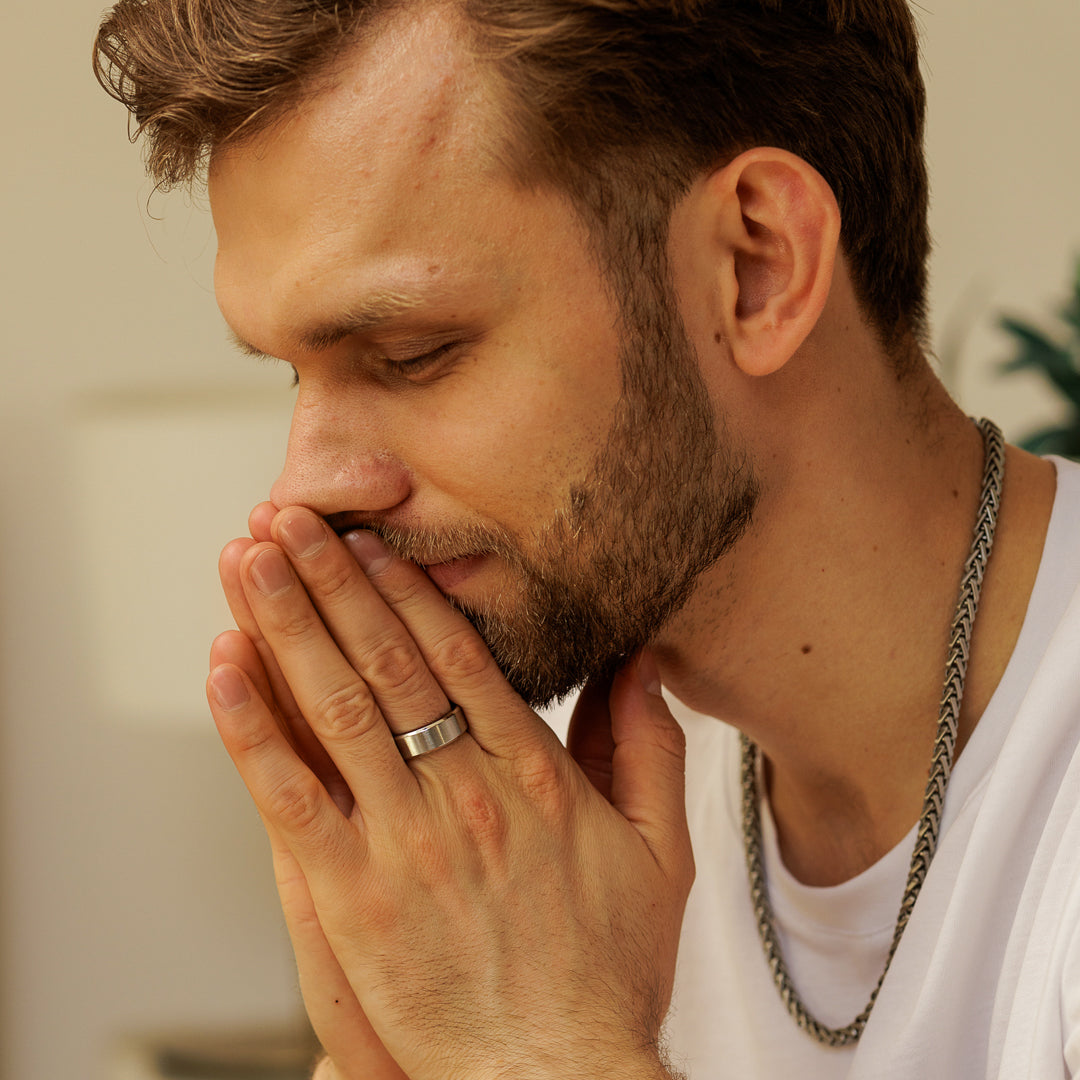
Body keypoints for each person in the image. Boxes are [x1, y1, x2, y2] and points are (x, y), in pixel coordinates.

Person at [93, 1, 1080, 1077]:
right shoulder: (531, 819)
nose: (304, 488)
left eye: (412, 352)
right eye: (294, 372)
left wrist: (540, 1049)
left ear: (757, 267)